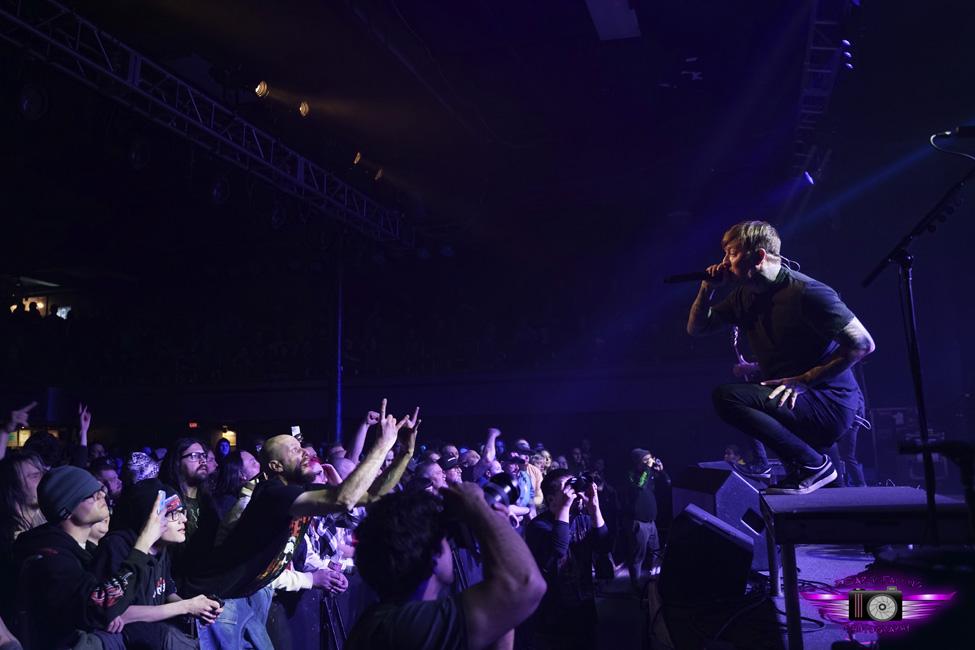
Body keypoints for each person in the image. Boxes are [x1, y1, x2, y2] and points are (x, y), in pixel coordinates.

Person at [183, 399, 416, 649]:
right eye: (294, 450)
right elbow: (344, 499)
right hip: (215, 599)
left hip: (245, 594)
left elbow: (370, 494)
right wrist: (382, 444)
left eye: (301, 447)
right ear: (275, 466)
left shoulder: (303, 492)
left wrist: (405, 453)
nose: (305, 452)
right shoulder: (272, 492)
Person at [687, 220, 875, 495]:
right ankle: (870, 533)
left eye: (732, 253)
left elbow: (863, 344)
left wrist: (805, 380)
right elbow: (697, 328)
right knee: (831, 499)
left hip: (827, 402)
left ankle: (813, 466)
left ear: (759, 256)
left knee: (727, 397)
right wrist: (707, 288)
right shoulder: (742, 296)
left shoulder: (807, 291)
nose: (725, 263)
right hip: (792, 402)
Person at [345, 485, 547, 650]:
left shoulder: (384, 621)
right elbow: (527, 584)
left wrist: (493, 528)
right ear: (433, 559)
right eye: (445, 540)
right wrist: (478, 508)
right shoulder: (401, 627)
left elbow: (507, 607)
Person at [12, 465, 168, 649]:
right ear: (67, 509)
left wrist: (104, 614)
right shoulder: (49, 557)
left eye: (100, 490)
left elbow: (94, 606)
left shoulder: (85, 549)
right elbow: (101, 603)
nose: (102, 495)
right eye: (91, 494)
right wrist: (145, 541)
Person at [525, 469, 609, 649]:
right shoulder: (538, 525)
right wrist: (563, 508)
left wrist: (595, 509)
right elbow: (558, 548)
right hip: (551, 620)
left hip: (583, 615)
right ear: (550, 499)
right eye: (566, 489)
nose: (573, 493)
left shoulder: (584, 520)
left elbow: (604, 547)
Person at [621, 449, 668, 593]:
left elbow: (668, 483)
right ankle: (635, 587)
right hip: (638, 523)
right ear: (638, 462)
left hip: (651, 522)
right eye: (646, 459)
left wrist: (661, 471)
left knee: (656, 554)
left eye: (650, 458)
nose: (650, 461)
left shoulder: (650, 474)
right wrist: (648, 468)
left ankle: (655, 583)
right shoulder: (631, 475)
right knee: (638, 557)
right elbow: (640, 486)